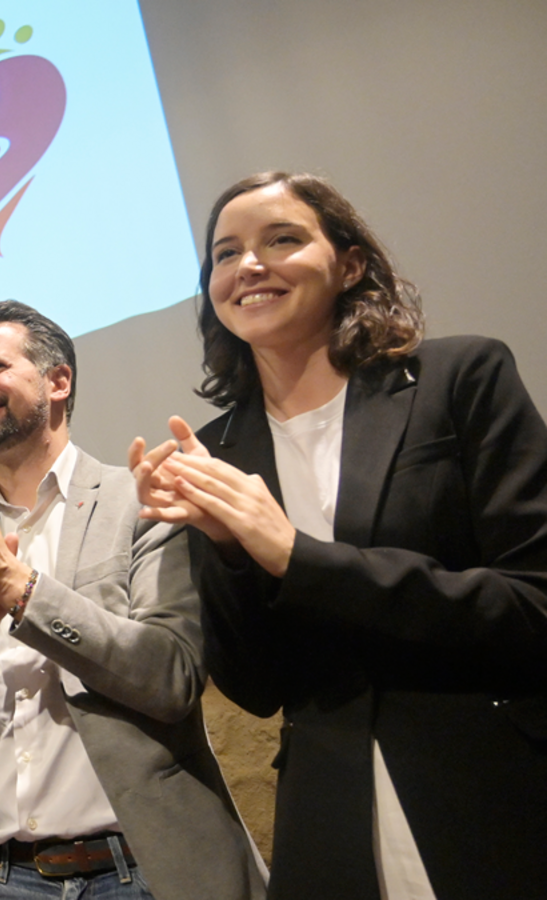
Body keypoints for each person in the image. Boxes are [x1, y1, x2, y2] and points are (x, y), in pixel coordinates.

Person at [131, 172, 547, 900]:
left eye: (282, 239)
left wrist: (296, 556)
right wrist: (231, 551)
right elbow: (258, 690)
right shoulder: (216, 452)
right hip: (333, 828)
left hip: (496, 796)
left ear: (350, 263)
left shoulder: (462, 377)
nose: (249, 266)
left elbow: (533, 606)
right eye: (224, 255)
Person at [0, 301, 267, 900]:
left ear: (58, 381)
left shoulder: (139, 499)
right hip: (7, 879)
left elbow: (171, 677)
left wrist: (19, 591)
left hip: (142, 869)